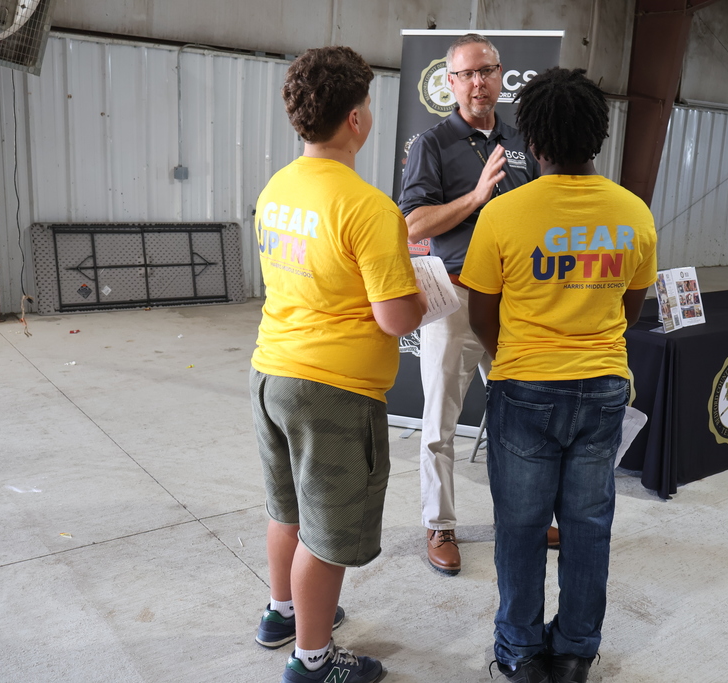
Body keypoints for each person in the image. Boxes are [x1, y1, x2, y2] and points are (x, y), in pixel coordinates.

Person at [460, 67, 658, 683]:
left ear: (533, 138)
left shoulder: (503, 214)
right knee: (588, 526)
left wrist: (517, 359)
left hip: (524, 388)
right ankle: (574, 653)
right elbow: (629, 308)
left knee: (520, 528)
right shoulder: (633, 213)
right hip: (604, 389)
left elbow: (481, 313)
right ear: (598, 135)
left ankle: (520, 654)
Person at [249, 46, 427, 683]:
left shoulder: (278, 187)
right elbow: (396, 318)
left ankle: (282, 613)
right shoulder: (368, 207)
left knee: (286, 509)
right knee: (326, 536)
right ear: (355, 119)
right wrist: (419, 288)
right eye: (368, 105)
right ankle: (313, 660)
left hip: (272, 371)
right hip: (333, 391)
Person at [397, 33, 543, 576]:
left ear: (501, 74)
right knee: (440, 422)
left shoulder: (521, 141)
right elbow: (413, 224)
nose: (478, 82)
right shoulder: (432, 144)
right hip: (456, 295)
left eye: (486, 71)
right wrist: (476, 197)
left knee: (522, 417)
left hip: (513, 301)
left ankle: (525, 518)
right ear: (450, 82)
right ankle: (439, 524)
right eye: (466, 74)